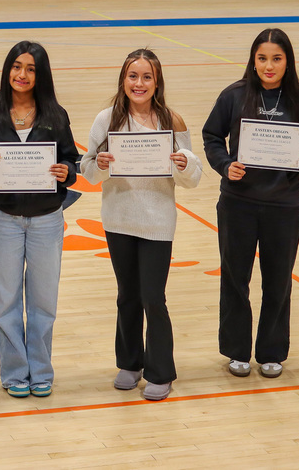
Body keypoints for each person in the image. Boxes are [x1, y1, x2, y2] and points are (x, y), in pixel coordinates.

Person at [80, 49, 202, 401]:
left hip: (157, 222)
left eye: (146, 77)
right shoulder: (107, 120)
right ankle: (130, 364)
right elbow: (88, 171)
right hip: (118, 219)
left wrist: (183, 163)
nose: (139, 83)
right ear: (123, 80)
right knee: (127, 296)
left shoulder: (172, 121)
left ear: (157, 82)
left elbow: (192, 179)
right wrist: (101, 164)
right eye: (133, 76)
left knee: (153, 297)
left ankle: (160, 370)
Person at [202, 28, 299, 379]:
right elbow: (211, 136)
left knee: (278, 280)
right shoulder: (234, 95)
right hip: (237, 202)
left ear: (288, 62)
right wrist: (226, 165)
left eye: (277, 58)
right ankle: (237, 350)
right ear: (253, 61)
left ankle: (271, 351)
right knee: (235, 278)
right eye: (262, 58)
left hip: (284, 205)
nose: (269, 66)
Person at [0, 41, 79, 399]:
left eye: (31, 68)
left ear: (41, 74)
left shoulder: (55, 116)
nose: (22, 74)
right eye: (17, 66)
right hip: (3, 219)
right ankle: (15, 371)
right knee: (5, 301)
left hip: (47, 220)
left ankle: (41, 370)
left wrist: (66, 171)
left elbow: (72, 164)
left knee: (43, 300)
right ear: (7, 70)